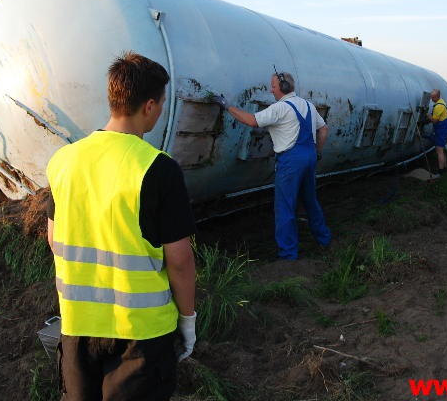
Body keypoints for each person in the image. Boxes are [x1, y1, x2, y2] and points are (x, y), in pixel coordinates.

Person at [46, 52, 197, 400]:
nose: (159, 112)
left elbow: (55, 238)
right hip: (142, 336)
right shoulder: (158, 167)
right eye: (160, 104)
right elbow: (179, 259)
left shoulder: (64, 160)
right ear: (148, 105)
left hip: (77, 326)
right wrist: (187, 320)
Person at [211, 71, 332, 260]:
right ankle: (324, 240)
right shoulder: (308, 105)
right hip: (309, 157)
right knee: (310, 201)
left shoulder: (280, 108)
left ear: (282, 88)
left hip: (291, 160)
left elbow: (252, 121)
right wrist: (317, 151)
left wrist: (228, 107)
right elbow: (323, 130)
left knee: (285, 207)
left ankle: (288, 255)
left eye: (273, 86)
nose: (271, 89)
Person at [427, 88, 447, 176]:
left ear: (437, 97)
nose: (431, 99)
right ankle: (444, 168)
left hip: (442, 129)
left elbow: (434, 121)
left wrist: (428, 115)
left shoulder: (438, 106)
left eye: (432, 97)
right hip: (443, 128)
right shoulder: (442, 102)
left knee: (439, 151)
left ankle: (440, 171)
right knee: (442, 150)